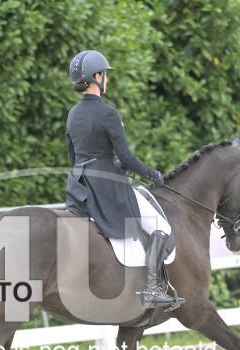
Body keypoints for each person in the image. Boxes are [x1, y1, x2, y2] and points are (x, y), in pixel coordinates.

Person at [64, 49, 181, 308]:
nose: (107, 79)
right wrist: (152, 174)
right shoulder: (108, 113)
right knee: (160, 227)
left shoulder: (72, 114)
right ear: (96, 77)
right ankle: (151, 290)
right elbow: (126, 157)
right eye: (105, 75)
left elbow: (74, 156)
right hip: (108, 188)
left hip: (79, 189)